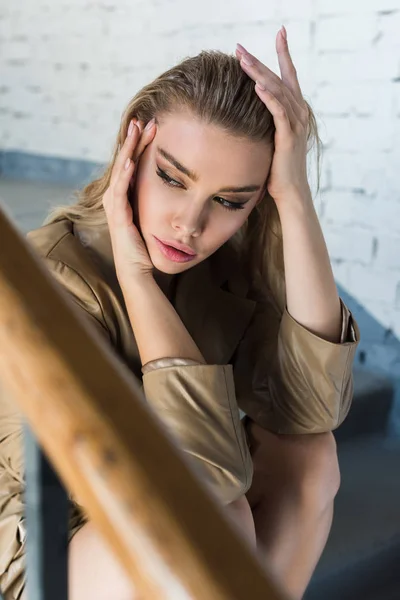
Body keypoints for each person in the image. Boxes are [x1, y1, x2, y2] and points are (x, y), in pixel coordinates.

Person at [0, 26, 359, 600]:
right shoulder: (54, 280)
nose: (189, 226)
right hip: (42, 545)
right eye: (172, 177)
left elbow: (311, 411)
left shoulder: (218, 266)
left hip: (162, 510)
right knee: (221, 520)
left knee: (311, 459)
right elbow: (202, 483)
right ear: (132, 147)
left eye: (229, 200)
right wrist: (138, 281)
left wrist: (293, 194)